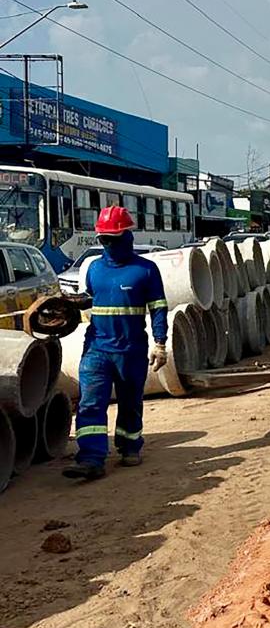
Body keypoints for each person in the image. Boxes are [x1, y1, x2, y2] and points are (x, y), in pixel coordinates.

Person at [63, 206, 168, 481]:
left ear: (127, 235)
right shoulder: (94, 269)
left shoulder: (146, 270)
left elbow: (158, 308)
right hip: (97, 348)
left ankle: (129, 445)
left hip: (131, 350)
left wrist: (160, 343)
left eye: (112, 238)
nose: (107, 244)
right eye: (103, 239)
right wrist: (72, 305)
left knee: (130, 402)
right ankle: (91, 458)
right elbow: (93, 299)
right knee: (90, 403)